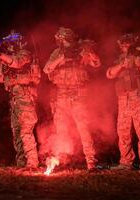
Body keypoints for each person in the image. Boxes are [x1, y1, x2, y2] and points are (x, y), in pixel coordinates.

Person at [43, 27, 101, 171]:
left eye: (62, 38)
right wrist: (62, 58)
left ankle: (91, 162)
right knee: (61, 129)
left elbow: (96, 63)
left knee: (83, 129)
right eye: (60, 38)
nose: (60, 41)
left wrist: (88, 52)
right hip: (62, 94)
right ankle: (61, 162)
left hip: (79, 94)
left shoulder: (81, 51)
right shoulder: (57, 53)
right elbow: (47, 69)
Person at [0, 30, 40, 168]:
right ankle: (22, 164)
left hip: (25, 96)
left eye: (11, 43)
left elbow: (16, 62)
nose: (9, 46)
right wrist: (0, 58)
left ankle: (32, 163)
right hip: (15, 98)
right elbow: (0, 78)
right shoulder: (8, 57)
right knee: (16, 132)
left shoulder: (25, 54)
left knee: (25, 130)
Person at [106, 33, 140, 173]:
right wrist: (122, 65)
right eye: (122, 44)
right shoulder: (118, 59)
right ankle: (126, 162)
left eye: (127, 44)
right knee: (123, 132)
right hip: (123, 99)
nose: (124, 46)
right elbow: (109, 74)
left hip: (139, 98)